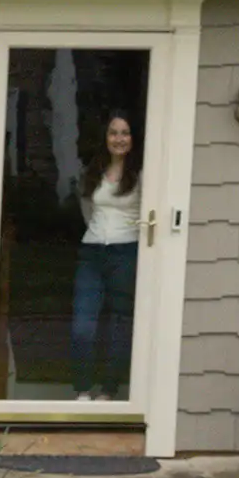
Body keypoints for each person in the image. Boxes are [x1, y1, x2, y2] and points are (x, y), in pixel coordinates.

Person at [71, 112, 142, 402]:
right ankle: (82, 389)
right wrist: (99, 234)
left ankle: (109, 391)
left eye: (125, 133)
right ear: (105, 137)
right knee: (82, 325)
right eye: (113, 133)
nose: (119, 139)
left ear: (133, 138)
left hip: (126, 251)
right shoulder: (93, 171)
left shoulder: (141, 173)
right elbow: (87, 209)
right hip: (92, 251)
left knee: (118, 324)